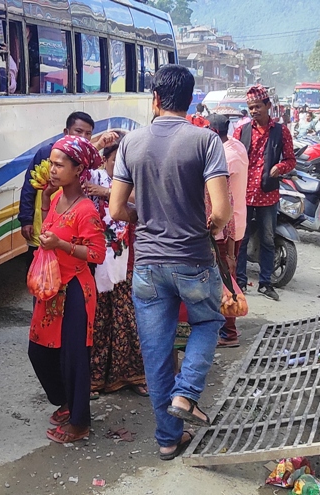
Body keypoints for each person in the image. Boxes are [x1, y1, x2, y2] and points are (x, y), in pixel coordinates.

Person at [109, 64, 231, 461]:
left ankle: (167, 438)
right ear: (190, 100)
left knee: (156, 352)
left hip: (147, 264)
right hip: (193, 258)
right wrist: (208, 225)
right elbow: (222, 212)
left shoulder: (131, 143)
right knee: (208, 323)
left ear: (156, 99)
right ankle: (186, 393)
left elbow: (116, 209)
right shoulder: (205, 140)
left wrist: (144, 215)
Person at [29, 136, 108, 444]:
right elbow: (47, 232)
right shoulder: (57, 199)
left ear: (78, 170)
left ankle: (79, 422)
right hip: (51, 287)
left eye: (59, 165)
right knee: (39, 350)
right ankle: (65, 401)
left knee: (74, 357)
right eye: (51, 164)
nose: (52, 170)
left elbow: (97, 254)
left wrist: (61, 245)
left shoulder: (85, 209)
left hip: (75, 289)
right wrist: (45, 201)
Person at [84, 136, 148, 397]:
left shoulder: (133, 182)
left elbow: (143, 202)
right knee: (98, 322)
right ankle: (95, 379)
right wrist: (98, 144)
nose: (119, 168)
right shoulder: (93, 177)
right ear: (104, 160)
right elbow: (75, 163)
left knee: (126, 321)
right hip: (96, 262)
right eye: (114, 162)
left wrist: (108, 193)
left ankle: (131, 376)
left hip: (127, 262)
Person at [233, 85, 297, 302]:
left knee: (268, 240)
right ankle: (240, 281)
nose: (254, 111)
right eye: (251, 107)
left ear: (268, 106)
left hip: (267, 194)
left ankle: (265, 283)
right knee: (240, 239)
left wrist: (280, 167)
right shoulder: (241, 131)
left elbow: (290, 160)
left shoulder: (281, 131)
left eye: (258, 107)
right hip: (244, 193)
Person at [18, 113, 117, 248]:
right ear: (66, 132)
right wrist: (26, 219)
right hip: (43, 226)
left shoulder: (85, 207)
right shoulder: (47, 153)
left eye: (88, 133)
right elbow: (29, 187)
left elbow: (94, 252)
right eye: (78, 131)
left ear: (79, 169)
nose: (83, 137)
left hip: (71, 231)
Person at [208, 114, 248, 347]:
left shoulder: (222, 158)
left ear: (213, 132)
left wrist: (230, 251)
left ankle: (229, 332)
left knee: (224, 279)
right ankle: (227, 327)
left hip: (225, 229)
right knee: (227, 277)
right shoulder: (237, 147)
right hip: (236, 224)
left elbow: (226, 204)